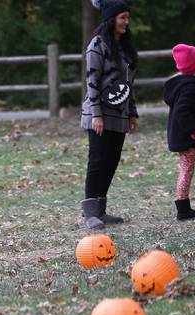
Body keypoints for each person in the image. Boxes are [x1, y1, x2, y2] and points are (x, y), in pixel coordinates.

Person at [80, 0, 138, 230]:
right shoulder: (97, 44)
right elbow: (92, 82)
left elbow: (128, 84)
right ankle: (90, 213)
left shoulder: (124, 46)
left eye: (127, 17)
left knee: (111, 162)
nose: (126, 22)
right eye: (122, 17)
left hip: (119, 115)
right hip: (99, 114)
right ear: (111, 18)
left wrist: (132, 113)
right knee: (97, 161)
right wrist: (96, 115)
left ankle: (101, 211)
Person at [164, 44, 195, 220]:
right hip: (187, 135)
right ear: (193, 65)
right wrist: (194, 130)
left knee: (186, 170)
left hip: (181, 134)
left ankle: (184, 207)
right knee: (186, 171)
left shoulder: (179, 83)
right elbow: (181, 111)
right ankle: (183, 210)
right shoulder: (189, 86)